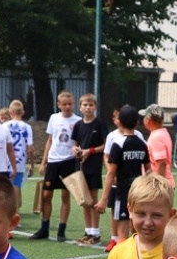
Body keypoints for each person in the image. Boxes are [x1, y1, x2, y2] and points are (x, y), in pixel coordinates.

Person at [101, 105, 150, 247]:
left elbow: (111, 173)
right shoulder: (142, 144)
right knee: (136, 229)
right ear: (137, 123)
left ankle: (122, 256)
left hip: (122, 193)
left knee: (122, 234)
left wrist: (103, 199)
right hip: (138, 192)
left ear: (120, 122)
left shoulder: (118, 144)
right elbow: (148, 171)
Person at [33, 90, 77, 242]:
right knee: (46, 195)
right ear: (58, 105)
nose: (67, 107)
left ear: (73, 104)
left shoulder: (77, 121)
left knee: (65, 195)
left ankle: (61, 231)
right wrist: (43, 162)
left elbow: (78, 142)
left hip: (69, 161)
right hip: (53, 161)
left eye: (70, 104)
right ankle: (44, 228)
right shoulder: (54, 118)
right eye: (64, 104)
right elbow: (50, 140)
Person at [70, 93, 111, 246]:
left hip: (93, 166)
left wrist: (90, 151)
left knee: (93, 200)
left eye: (91, 105)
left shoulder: (99, 123)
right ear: (80, 107)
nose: (88, 108)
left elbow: (106, 145)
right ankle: (88, 231)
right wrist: (75, 150)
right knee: (84, 201)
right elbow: (74, 143)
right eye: (85, 105)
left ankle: (96, 233)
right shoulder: (78, 125)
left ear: (95, 107)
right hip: (80, 165)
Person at [5, 99, 35, 211]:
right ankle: (15, 212)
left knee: (5, 186)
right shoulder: (27, 127)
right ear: (23, 112)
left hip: (6, 160)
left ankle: (5, 211)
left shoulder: (5, 126)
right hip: (20, 160)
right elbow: (30, 148)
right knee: (16, 185)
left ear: (10, 112)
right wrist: (32, 165)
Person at [144, 104, 175, 191]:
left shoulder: (156, 137)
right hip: (164, 182)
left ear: (148, 120)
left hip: (160, 185)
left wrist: (158, 186)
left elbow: (162, 163)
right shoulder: (163, 133)